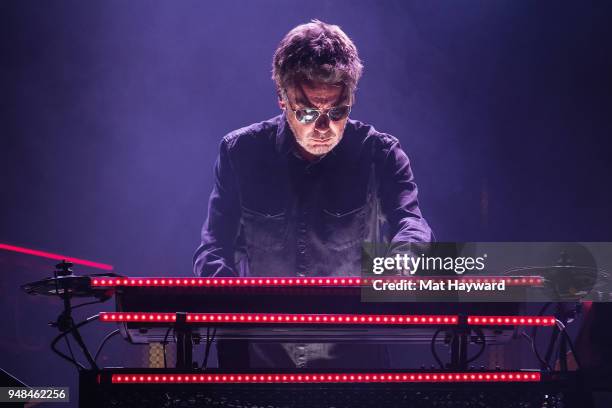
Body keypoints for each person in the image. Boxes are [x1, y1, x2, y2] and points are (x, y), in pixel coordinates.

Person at [193, 20, 433, 368]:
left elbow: (413, 226)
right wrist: (239, 303)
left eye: (337, 112)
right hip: (262, 360)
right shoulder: (241, 152)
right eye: (306, 112)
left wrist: (400, 267)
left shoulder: (379, 154)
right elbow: (212, 248)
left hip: (353, 359)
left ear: (351, 99)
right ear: (281, 99)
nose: (323, 128)